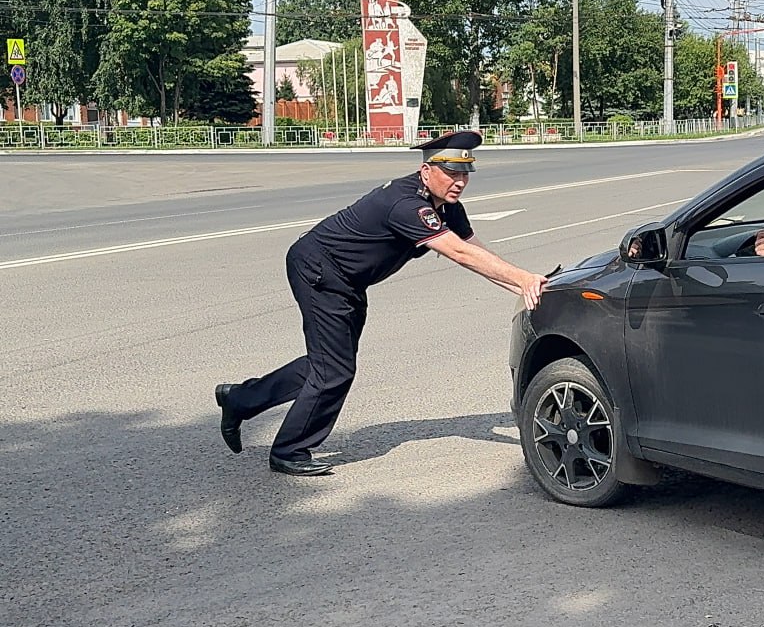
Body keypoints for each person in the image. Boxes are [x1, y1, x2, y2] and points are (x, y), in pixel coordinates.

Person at [213, 131, 548, 477]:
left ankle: (240, 399)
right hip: (319, 271)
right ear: (426, 171)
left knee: (326, 363)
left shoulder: (447, 207)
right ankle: (289, 450)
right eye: (451, 173)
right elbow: (460, 254)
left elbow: (477, 251)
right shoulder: (407, 205)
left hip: (346, 279)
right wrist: (521, 280)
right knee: (335, 370)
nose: (460, 181)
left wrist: (523, 285)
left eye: (465, 174)